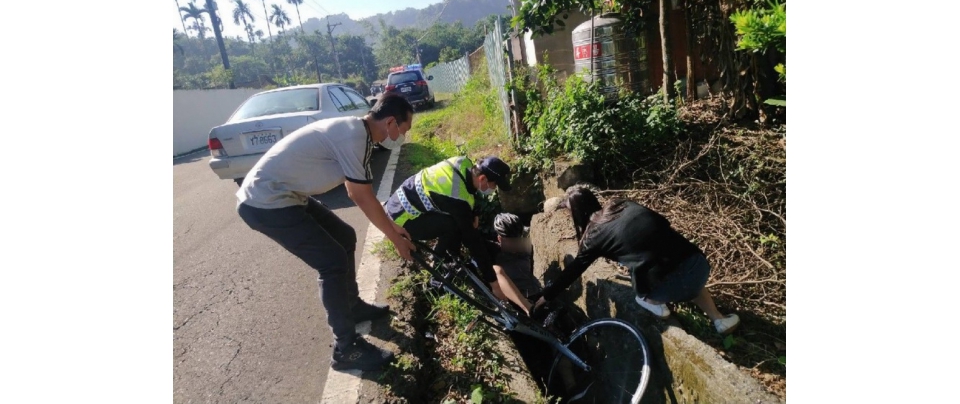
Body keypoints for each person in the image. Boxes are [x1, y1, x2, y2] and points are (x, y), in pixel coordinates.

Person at [235, 94, 417, 372]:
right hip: (266, 202)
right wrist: (395, 239)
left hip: (288, 196)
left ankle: (352, 307)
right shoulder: (353, 136)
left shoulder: (360, 134)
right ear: (391, 122)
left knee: (345, 237)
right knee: (331, 261)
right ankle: (346, 349)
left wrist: (393, 227)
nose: (402, 137)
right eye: (403, 131)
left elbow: (355, 188)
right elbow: (361, 195)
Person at [530, 187, 740, 335]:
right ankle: (719, 320)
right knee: (679, 266)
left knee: (648, 288)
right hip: (698, 264)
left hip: (669, 288)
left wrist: (546, 297)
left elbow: (572, 272)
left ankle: (654, 303)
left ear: (574, 214)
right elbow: (662, 222)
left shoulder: (592, 237)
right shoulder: (621, 204)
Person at [384, 156, 535, 315]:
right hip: (401, 221)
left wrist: (474, 212)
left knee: (459, 223)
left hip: (396, 203)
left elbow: (469, 190)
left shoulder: (465, 163)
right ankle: (442, 267)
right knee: (454, 226)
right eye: (494, 184)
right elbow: (473, 242)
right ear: (482, 178)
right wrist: (494, 285)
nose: (494, 188)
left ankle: (451, 256)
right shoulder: (456, 199)